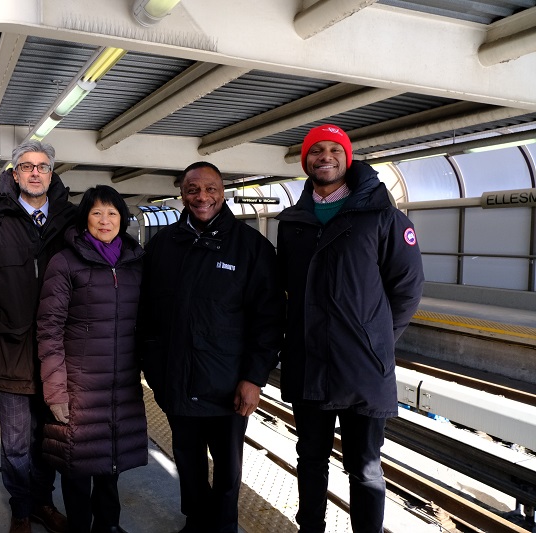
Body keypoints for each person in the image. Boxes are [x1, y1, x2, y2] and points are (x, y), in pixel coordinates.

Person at [275, 124, 424, 533]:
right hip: (309, 363)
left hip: (363, 368)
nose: (325, 156)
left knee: (365, 468)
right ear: (305, 161)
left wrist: (375, 341)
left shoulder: (383, 217)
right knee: (310, 459)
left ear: (347, 157)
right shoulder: (292, 222)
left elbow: (407, 289)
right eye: (316, 150)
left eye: (334, 150)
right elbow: (285, 288)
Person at [137, 162, 285, 533]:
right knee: (187, 459)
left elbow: (268, 320)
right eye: (193, 190)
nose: (201, 197)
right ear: (182, 194)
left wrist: (254, 378)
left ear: (222, 192)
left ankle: (224, 526)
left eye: (210, 189)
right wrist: (154, 369)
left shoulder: (251, 247)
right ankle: (196, 522)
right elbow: (145, 313)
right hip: (177, 379)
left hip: (228, 384)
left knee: (228, 465)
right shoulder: (162, 246)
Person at [0, 140, 76, 533]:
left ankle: (43, 503)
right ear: (14, 175)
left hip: (58, 356)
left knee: (49, 439)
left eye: (42, 166)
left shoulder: (71, 221)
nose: (35, 173)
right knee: (15, 443)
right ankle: (21, 508)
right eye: (27, 166)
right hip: (9, 352)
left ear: (52, 173)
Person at [37, 185, 148, 533]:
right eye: (96, 212)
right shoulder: (65, 262)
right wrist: (56, 391)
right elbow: (49, 329)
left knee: (111, 464)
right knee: (77, 467)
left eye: (112, 213)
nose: (104, 220)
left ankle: (109, 526)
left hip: (121, 385)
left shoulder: (135, 263)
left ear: (122, 219)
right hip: (79, 387)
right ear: (85, 218)